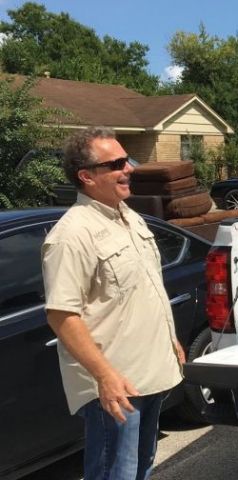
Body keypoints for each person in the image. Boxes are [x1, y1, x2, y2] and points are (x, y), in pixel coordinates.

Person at [42, 127, 185, 479]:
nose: (130, 168)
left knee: (140, 468)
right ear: (87, 177)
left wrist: (171, 340)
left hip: (150, 373)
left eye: (128, 160)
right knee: (114, 474)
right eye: (118, 163)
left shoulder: (130, 217)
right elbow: (62, 316)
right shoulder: (71, 234)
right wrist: (105, 377)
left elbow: (142, 289)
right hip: (117, 384)